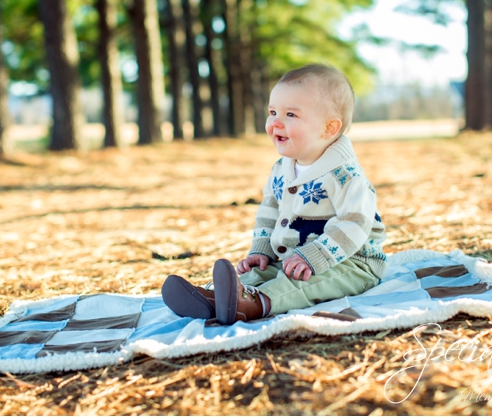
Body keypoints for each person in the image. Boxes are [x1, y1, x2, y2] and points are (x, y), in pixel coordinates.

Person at [161, 64, 388, 325]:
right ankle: (215, 299)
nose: (275, 122)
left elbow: (355, 222)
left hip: (351, 262)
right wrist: (262, 250)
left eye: (290, 114)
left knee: (303, 283)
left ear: (329, 128)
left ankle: (254, 304)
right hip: (294, 257)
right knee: (260, 272)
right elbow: (269, 211)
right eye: (272, 112)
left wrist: (315, 257)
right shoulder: (282, 169)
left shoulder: (346, 176)